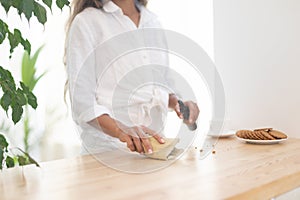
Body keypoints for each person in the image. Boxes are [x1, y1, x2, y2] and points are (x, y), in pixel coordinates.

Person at [65, 0, 199, 155]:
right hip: (107, 155)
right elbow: (83, 104)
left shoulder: (152, 21)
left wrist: (179, 103)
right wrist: (121, 131)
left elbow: (161, 84)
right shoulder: (87, 22)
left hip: (154, 154)